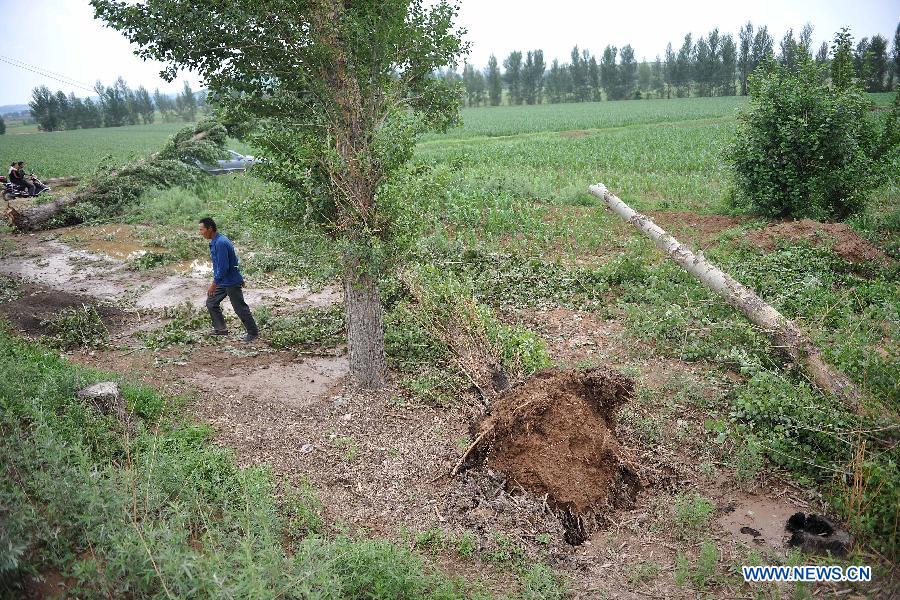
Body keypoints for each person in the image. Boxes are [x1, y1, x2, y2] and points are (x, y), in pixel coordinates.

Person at [198, 217, 259, 342]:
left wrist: (214, 284)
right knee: (211, 302)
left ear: (210, 228)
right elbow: (232, 262)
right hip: (223, 280)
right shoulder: (215, 241)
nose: (201, 232)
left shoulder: (221, 243)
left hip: (230, 281)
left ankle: (253, 332)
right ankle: (221, 330)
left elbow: (224, 267)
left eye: (202, 229)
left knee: (239, 308)